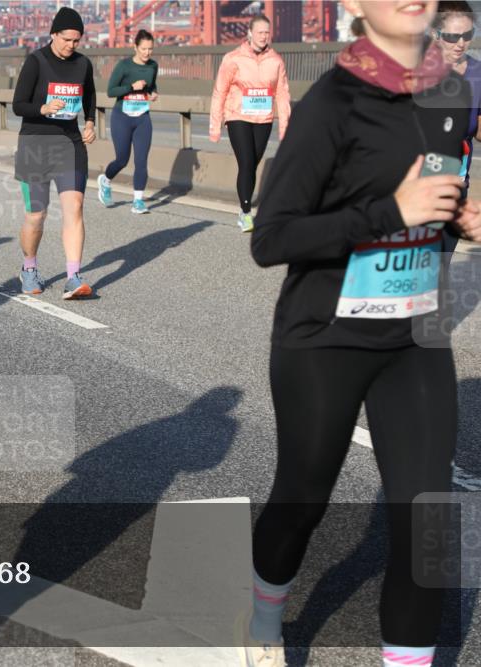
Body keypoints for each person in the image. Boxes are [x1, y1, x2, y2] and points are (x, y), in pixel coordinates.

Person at [245, 1, 481, 666]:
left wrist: (458, 213)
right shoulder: (333, 102)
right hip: (325, 339)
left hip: (415, 339)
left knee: (427, 524)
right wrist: (390, 212)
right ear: (352, 5)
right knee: (301, 501)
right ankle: (265, 615)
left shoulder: (452, 92)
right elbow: (272, 237)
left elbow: (432, 187)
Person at [12, 6, 96, 299]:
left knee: (74, 207)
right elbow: (18, 104)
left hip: (69, 145)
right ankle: (29, 268)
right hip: (35, 146)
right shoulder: (36, 62)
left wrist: (90, 122)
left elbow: (90, 96)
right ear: (53, 34)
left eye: (76, 40)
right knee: (37, 215)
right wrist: (43, 108)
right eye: (66, 39)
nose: (71, 46)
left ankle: (73, 276)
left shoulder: (83, 64)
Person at [209, 14, 290, 232]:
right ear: (250, 33)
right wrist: (215, 126)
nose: (264, 36)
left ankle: (243, 207)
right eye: (260, 32)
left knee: (252, 165)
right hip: (238, 116)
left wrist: (285, 128)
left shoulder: (276, 61)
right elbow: (220, 92)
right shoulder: (233, 58)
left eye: (267, 32)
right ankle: (246, 213)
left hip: (263, 118)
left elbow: (282, 94)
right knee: (246, 163)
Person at [433, 0, 481, 257]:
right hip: (412, 185)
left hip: (456, 184)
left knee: (441, 265)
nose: (461, 43)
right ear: (435, 34)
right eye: (452, 36)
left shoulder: (478, 73)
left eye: (468, 35)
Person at [98, 29, 159, 215]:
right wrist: (131, 87)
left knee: (141, 161)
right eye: (143, 49)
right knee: (122, 160)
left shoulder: (153, 66)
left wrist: (153, 92)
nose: (147, 53)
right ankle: (106, 181)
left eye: (150, 49)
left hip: (142, 117)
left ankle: (138, 201)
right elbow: (111, 91)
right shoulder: (124, 66)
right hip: (122, 117)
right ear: (135, 47)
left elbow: (152, 85)